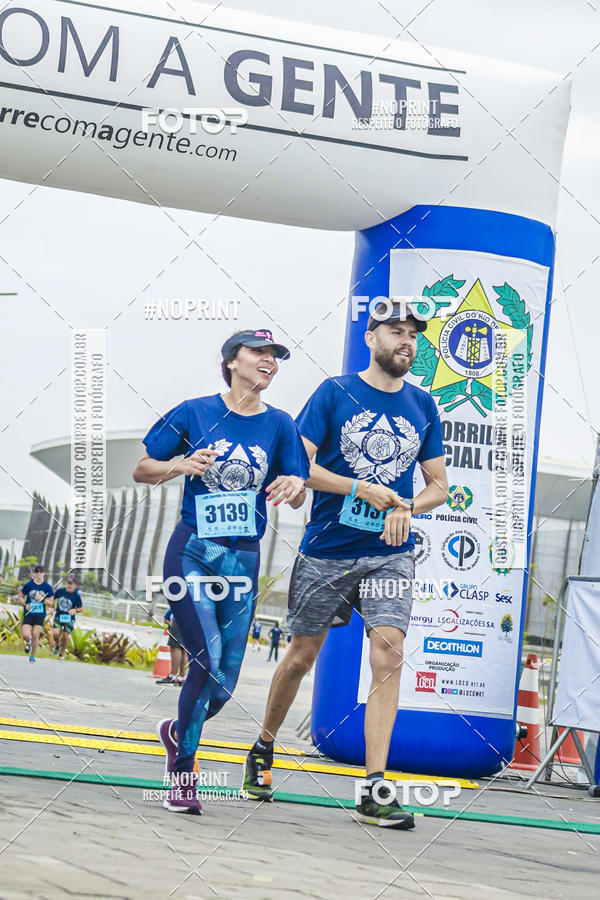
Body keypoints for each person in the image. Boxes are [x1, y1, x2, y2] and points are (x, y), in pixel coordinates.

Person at [242, 303, 448, 829]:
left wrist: (405, 506)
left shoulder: (424, 405)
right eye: (395, 332)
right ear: (371, 338)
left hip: (389, 552)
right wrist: (362, 488)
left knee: (389, 652)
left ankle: (375, 788)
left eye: (413, 336)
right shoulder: (334, 393)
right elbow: (300, 467)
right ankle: (264, 747)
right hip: (327, 550)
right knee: (300, 657)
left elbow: (438, 488)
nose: (406, 341)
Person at [133, 328, 309, 814]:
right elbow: (142, 467)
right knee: (206, 659)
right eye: (259, 353)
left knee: (226, 680)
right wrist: (183, 465)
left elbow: (297, 486)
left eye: (276, 357)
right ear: (232, 361)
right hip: (191, 550)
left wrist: (294, 486)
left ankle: (176, 730)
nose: (269, 362)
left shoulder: (280, 424)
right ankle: (183, 775)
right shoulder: (195, 411)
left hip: (243, 558)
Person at [18, 565, 54, 663]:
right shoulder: (29, 585)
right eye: (37, 572)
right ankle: (28, 641)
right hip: (29, 613)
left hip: (40, 615)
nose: (39, 574)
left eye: (41, 572)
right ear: (34, 573)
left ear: (44, 573)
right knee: (26, 634)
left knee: (35, 634)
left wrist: (42, 599)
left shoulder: (47, 587)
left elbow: (51, 603)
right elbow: (20, 596)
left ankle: (32, 656)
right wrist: (25, 603)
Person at [51, 576, 83, 659]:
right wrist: (52, 607)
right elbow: (52, 598)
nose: (69, 585)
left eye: (71, 584)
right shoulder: (60, 591)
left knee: (66, 636)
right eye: (68, 583)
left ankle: (61, 654)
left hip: (69, 618)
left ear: (75, 586)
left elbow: (80, 608)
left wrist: (75, 610)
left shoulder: (76, 596)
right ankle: (57, 645)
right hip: (59, 615)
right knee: (55, 633)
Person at [157, 607, 188, 685]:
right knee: (185, 648)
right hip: (193, 619)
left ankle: (172, 676)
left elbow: (166, 618)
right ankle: (182, 677)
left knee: (176, 647)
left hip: (180, 616)